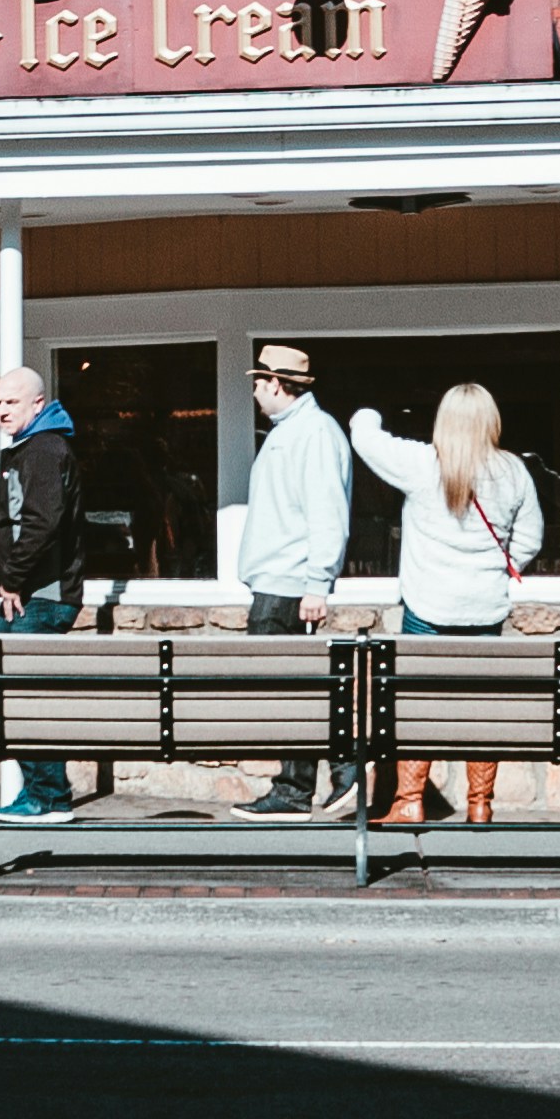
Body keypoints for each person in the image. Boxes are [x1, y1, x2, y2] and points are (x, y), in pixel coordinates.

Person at [349, 381, 541, 825]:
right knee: (481, 706)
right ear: (490, 421)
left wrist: (368, 413)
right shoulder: (513, 471)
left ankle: (410, 800)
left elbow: (363, 435)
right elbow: (530, 537)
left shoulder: (422, 464)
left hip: (428, 610)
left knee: (419, 703)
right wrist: (497, 564)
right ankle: (480, 804)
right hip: (485, 611)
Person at [231, 341, 357, 816]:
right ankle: (304, 785)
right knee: (292, 691)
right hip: (278, 582)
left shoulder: (314, 433)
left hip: (287, 586)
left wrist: (317, 584)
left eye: (260, 381)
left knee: (293, 692)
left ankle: (317, 783)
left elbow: (328, 512)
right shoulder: (293, 431)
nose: (257, 390)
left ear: (279, 384)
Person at [0, 363, 85, 821]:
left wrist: (13, 579)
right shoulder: (31, 446)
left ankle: (47, 796)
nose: (2, 410)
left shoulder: (44, 449)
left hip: (37, 596)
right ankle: (47, 792)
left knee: (21, 695)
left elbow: (42, 523)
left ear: (37, 404)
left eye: (12, 402)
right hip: (31, 592)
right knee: (17, 694)